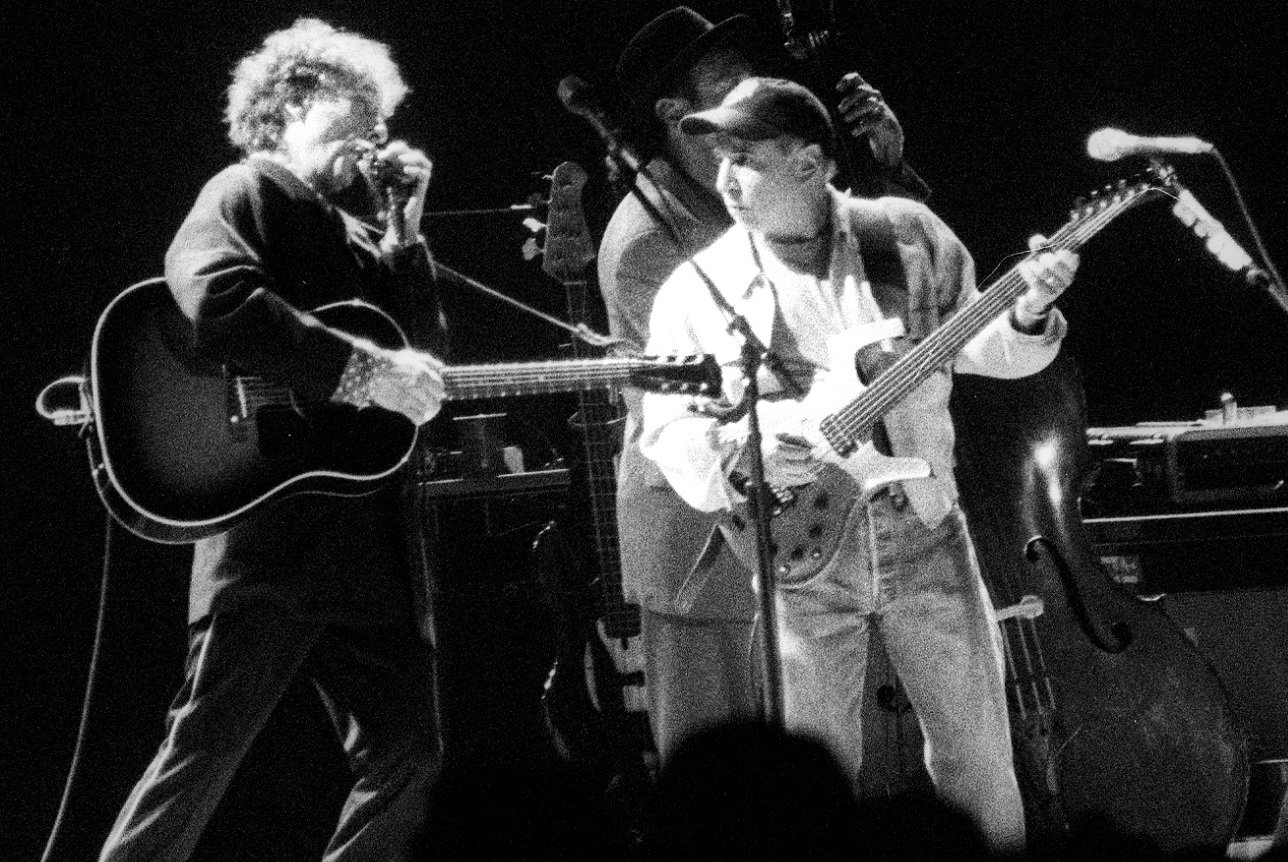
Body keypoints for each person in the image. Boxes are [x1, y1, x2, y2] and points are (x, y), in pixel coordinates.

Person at [639, 76, 1079, 855]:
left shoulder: (902, 234)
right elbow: (669, 431)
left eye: (746, 158)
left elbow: (983, 348)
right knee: (811, 778)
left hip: (927, 531)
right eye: (720, 160)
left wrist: (1029, 309)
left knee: (979, 760)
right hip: (801, 556)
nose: (725, 179)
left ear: (810, 162)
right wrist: (750, 452)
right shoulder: (695, 290)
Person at [99, 19, 446, 861]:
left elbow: (428, 372)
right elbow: (213, 301)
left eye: (378, 112)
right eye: (349, 106)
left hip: (365, 545)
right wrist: (361, 372)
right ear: (288, 106)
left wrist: (407, 232)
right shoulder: (244, 190)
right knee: (202, 754)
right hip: (271, 545)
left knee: (413, 756)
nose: (370, 128)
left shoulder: (365, 236)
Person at [596, 6, 928, 764]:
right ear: (679, 118)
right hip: (705, 552)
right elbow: (771, 382)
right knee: (724, 792)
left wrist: (881, 171)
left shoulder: (748, 202)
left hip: (792, 526)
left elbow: (895, 296)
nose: (757, 95)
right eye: (731, 87)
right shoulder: (653, 240)